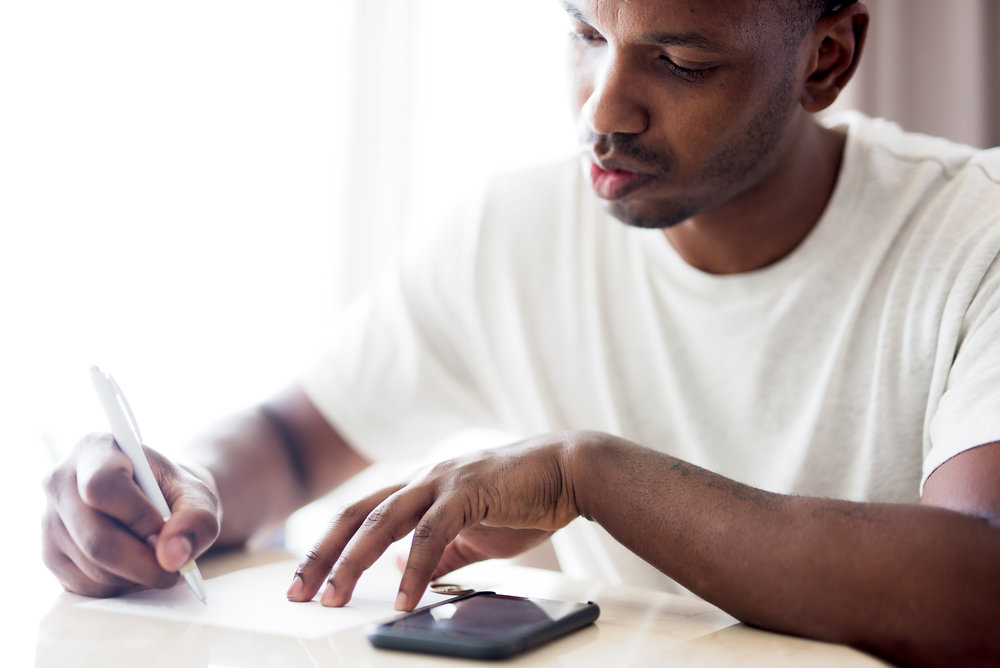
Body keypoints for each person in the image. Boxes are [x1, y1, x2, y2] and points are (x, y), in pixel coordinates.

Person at [42, 1, 1000, 665]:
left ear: (826, 59)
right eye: (584, 31)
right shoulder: (512, 231)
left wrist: (590, 474)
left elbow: (979, 588)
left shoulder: (974, 236)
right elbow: (289, 441)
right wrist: (169, 490)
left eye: (680, 61)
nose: (602, 109)